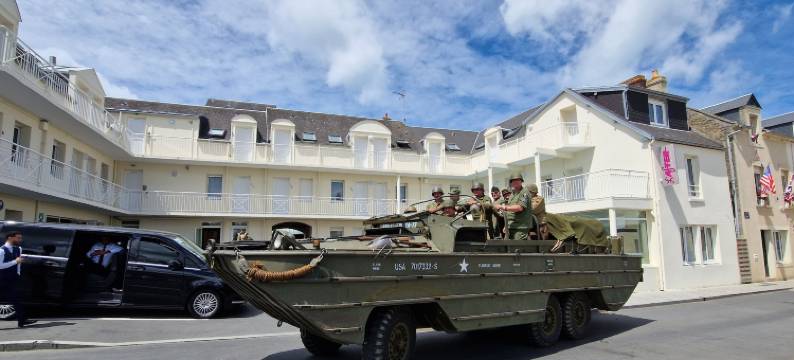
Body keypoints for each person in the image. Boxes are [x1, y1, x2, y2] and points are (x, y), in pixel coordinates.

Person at [0, 231, 36, 328]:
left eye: (20, 238)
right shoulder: (2, 250)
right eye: (18, 238)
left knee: (16, 299)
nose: (20, 240)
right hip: (2, 278)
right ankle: (22, 320)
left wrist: (18, 272)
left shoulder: (18, 249)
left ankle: (22, 320)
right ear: (10, 238)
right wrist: (14, 262)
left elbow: (19, 262)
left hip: (12, 278)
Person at [493, 173, 534, 240]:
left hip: (521, 226)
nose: (516, 182)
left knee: (517, 247)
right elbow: (510, 212)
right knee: (509, 247)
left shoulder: (525, 193)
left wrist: (503, 207)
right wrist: (506, 225)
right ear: (511, 183)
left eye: (518, 180)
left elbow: (519, 207)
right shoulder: (512, 194)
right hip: (511, 226)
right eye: (513, 181)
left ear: (521, 181)